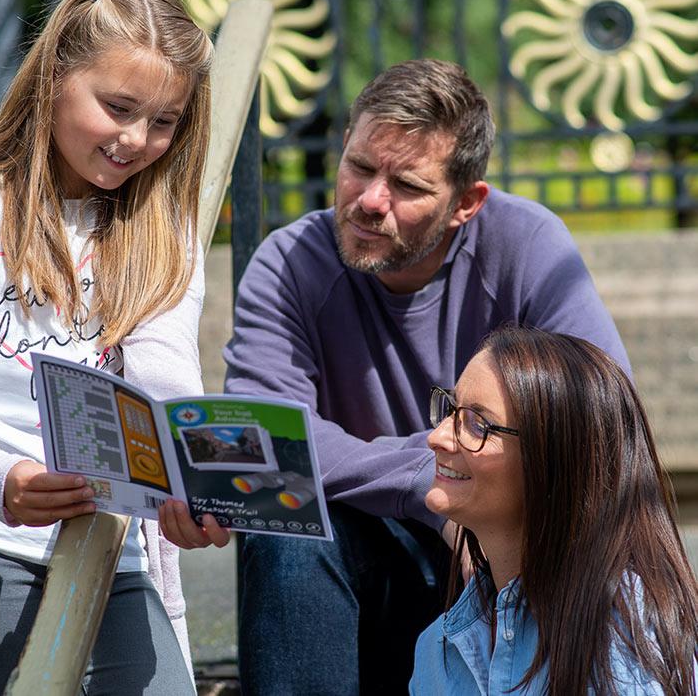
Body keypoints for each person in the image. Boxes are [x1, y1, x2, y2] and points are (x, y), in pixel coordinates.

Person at [221, 59, 632, 694]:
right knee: (288, 533)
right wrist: (427, 486)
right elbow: (263, 444)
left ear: (466, 202)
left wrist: (480, 519)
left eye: (407, 185)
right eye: (358, 166)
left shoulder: (528, 249)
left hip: (515, 559)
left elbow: (602, 426)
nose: (369, 201)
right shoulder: (287, 265)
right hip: (358, 568)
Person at [0, 0, 226, 695]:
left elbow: (164, 372)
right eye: (117, 106)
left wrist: (192, 481)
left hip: (109, 543)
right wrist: (2, 480)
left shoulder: (162, 227)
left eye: (165, 121)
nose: (137, 140)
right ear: (54, 76)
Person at [411, 326, 698, 695]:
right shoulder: (436, 652)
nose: (436, 437)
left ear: (555, 461)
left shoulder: (620, 620)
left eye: (477, 424)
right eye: (450, 409)